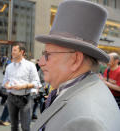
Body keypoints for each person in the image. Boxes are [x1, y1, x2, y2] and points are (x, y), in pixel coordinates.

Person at [32, 0, 120, 131]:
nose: (41, 62)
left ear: (75, 59)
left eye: (48, 54)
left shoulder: (87, 121)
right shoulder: (82, 88)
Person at [3, 43, 41, 131]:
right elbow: (5, 82)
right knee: (13, 126)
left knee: (25, 127)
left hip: (26, 99)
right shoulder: (9, 67)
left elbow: (36, 82)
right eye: (12, 50)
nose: (12, 52)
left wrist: (23, 86)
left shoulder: (30, 65)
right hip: (11, 98)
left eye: (15, 50)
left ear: (22, 52)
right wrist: (7, 85)